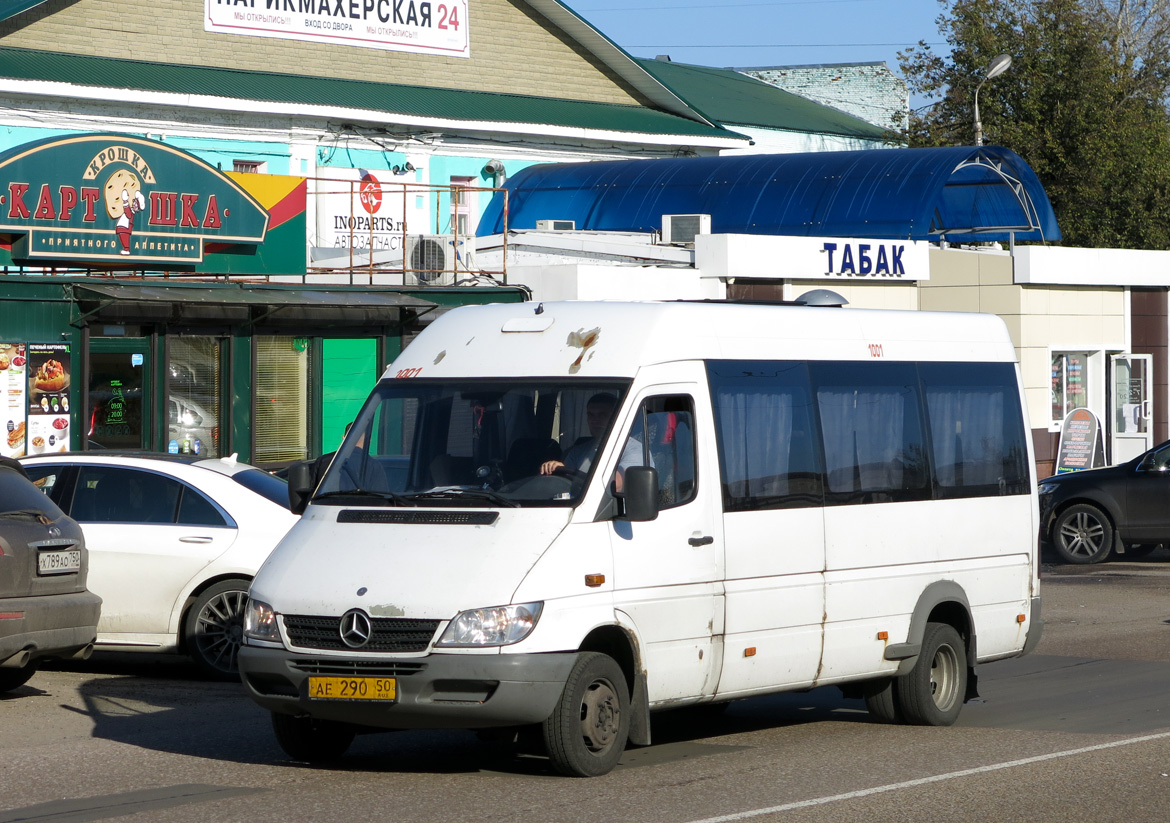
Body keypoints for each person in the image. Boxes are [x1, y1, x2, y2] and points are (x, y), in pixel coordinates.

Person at [540, 393, 618, 476]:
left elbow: (618, 484)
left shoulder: (628, 449)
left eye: (602, 415)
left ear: (616, 417)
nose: (594, 420)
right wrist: (554, 467)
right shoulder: (577, 452)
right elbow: (566, 484)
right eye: (591, 415)